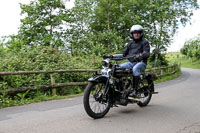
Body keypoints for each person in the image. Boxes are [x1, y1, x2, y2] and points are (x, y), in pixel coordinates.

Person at [120, 24, 150, 97]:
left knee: (135, 69)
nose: (136, 34)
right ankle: (122, 88)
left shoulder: (144, 42)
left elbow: (146, 53)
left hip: (141, 63)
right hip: (131, 63)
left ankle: (135, 90)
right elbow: (123, 54)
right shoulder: (130, 44)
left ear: (141, 33)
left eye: (137, 33)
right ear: (132, 34)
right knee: (119, 68)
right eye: (134, 33)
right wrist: (111, 56)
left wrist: (140, 55)